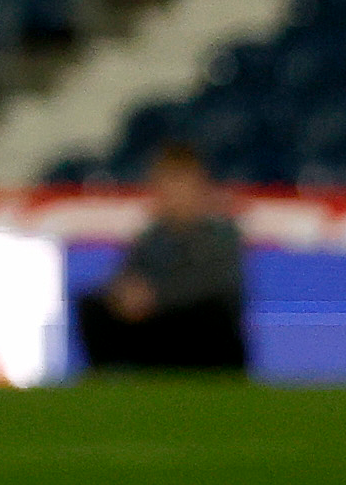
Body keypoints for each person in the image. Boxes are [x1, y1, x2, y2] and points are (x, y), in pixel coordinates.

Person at [71, 145, 250, 375]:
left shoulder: (223, 236)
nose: (172, 191)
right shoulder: (150, 238)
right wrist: (125, 296)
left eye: (179, 181)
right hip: (157, 328)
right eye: (165, 182)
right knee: (92, 306)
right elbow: (125, 278)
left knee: (212, 314)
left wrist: (157, 297)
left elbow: (217, 287)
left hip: (201, 336)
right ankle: (107, 380)